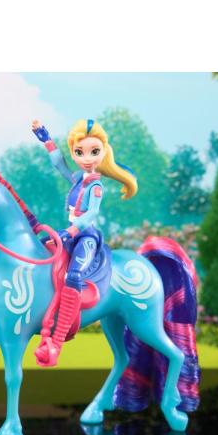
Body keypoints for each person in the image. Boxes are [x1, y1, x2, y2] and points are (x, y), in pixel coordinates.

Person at [32, 118, 138, 366]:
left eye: (94, 152)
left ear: (103, 152)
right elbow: (59, 165)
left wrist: (72, 230)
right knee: (42, 253)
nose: (87, 158)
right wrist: (47, 140)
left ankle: (57, 341)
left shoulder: (96, 186)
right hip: (69, 234)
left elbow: (92, 213)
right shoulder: (79, 178)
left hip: (86, 236)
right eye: (80, 152)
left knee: (74, 274)